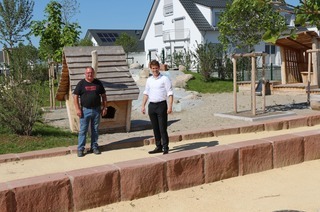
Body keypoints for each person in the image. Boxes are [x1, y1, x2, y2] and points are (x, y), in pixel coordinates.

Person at [73, 67, 107, 157]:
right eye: (88, 73)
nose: (90, 74)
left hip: (96, 110)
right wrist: (77, 109)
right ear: (85, 73)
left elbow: (103, 96)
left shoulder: (98, 83)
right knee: (83, 130)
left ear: (93, 73)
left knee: (95, 130)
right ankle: (80, 149)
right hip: (85, 110)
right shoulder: (81, 83)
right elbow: (75, 97)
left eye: (91, 73)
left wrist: (104, 107)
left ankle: (94, 147)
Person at [141, 60, 173, 154]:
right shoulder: (149, 80)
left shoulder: (165, 79)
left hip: (161, 105)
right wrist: (143, 105)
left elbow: (170, 93)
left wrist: (170, 106)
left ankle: (165, 147)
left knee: (162, 128)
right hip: (152, 105)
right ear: (150, 69)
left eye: (156, 68)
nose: (154, 70)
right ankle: (158, 146)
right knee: (155, 128)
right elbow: (146, 93)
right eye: (153, 68)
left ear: (159, 68)